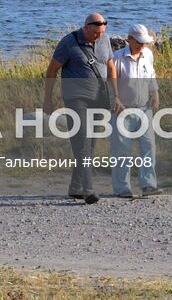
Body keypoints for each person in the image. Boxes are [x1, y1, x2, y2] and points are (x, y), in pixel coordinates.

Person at [42, 13, 114, 204]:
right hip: (76, 99)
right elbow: (52, 70)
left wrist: (117, 96)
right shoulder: (68, 43)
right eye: (95, 33)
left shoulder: (105, 40)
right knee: (81, 141)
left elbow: (110, 65)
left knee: (90, 144)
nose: (98, 37)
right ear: (86, 27)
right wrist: (47, 99)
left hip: (99, 98)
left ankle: (75, 187)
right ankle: (88, 189)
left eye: (101, 33)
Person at [109, 23, 161, 199]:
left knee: (148, 147)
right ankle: (121, 188)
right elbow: (110, 83)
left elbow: (151, 75)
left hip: (144, 108)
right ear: (129, 39)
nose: (142, 45)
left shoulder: (147, 55)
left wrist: (155, 93)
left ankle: (149, 185)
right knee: (122, 149)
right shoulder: (117, 58)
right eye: (139, 41)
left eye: (144, 42)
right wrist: (114, 100)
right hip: (122, 110)